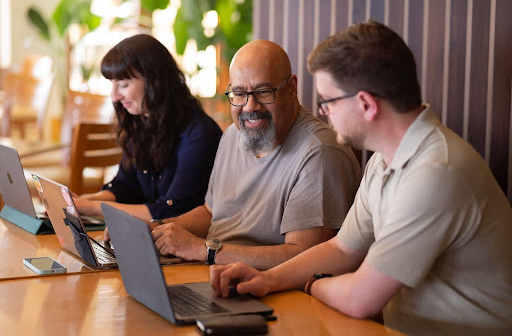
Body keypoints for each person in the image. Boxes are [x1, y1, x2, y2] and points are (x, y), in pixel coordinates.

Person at [209, 21, 512, 335]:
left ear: (366, 104)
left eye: (328, 101)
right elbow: (342, 249)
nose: (322, 113)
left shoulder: (435, 173)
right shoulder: (385, 157)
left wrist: (310, 283)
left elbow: (359, 300)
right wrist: (268, 279)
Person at [151, 40, 361, 270]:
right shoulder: (234, 134)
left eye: (263, 92)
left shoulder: (319, 153)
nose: (250, 106)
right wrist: (158, 229)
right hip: (213, 270)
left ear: (291, 88)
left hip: (272, 289)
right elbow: (212, 213)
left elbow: (303, 257)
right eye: (239, 93)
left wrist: (203, 250)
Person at [73, 34, 222, 226]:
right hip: (150, 239)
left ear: (155, 80)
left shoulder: (200, 135)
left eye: (123, 85)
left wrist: (93, 208)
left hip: (186, 247)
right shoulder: (142, 122)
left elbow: (172, 211)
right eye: (112, 84)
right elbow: (125, 186)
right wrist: (85, 201)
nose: (115, 96)